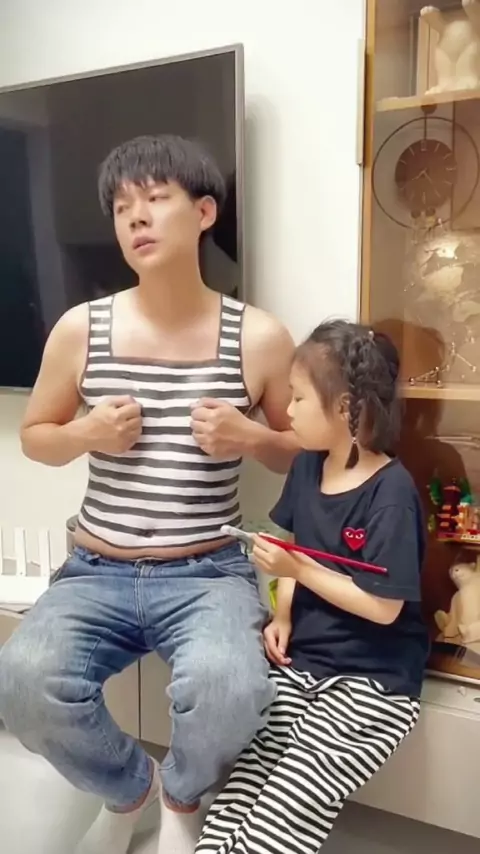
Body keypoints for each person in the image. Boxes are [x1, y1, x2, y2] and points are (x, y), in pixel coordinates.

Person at [0, 135, 299, 854]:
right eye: (121, 207)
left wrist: (250, 437)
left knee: (232, 692)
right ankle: (128, 789)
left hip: (209, 572)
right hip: (95, 569)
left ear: (204, 213)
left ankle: (181, 800)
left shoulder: (258, 337)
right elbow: (36, 436)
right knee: (23, 683)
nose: (135, 217)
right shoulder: (82, 329)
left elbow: (302, 452)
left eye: (156, 199)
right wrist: (87, 433)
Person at [196, 320, 429, 854]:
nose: (288, 410)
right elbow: (297, 543)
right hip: (303, 664)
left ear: (346, 408)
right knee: (238, 796)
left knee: (284, 812)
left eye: (298, 398)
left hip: (373, 682)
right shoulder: (306, 466)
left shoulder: (392, 494)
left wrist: (297, 571)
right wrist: (282, 614)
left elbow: (384, 608)